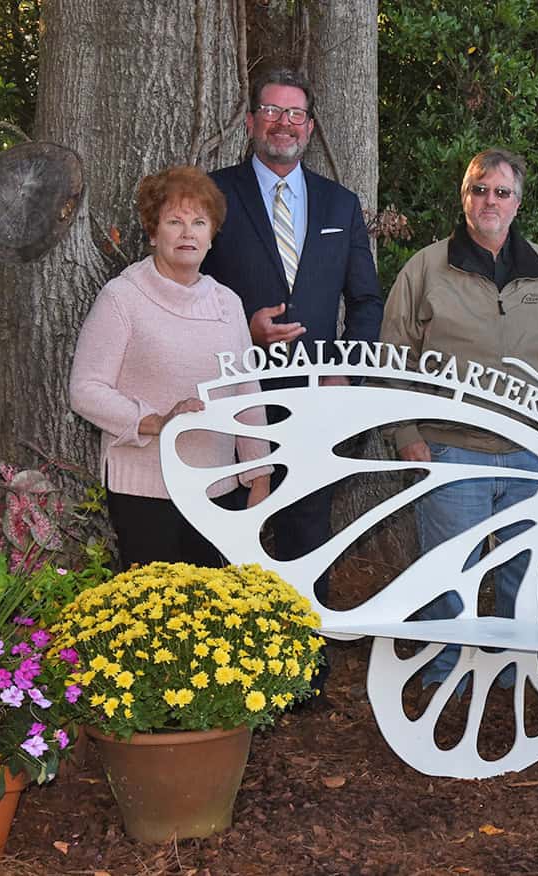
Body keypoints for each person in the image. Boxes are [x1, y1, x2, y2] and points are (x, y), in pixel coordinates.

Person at [380, 148, 538, 688]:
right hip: (452, 450)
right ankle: (445, 674)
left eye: (501, 192)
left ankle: (518, 671)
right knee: (449, 570)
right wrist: (406, 435)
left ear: (518, 202)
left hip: (536, 452)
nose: (489, 201)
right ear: (464, 196)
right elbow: (392, 358)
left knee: (528, 569)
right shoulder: (427, 268)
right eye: (480, 189)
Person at [200, 68, 383, 611]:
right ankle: (233, 664)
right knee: (233, 523)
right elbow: (189, 287)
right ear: (253, 120)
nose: (284, 124)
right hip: (236, 392)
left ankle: (305, 662)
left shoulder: (339, 204)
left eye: (295, 114)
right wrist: (243, 330)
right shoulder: (215, 194)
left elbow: (368, 302)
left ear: (309, 126)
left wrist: (347, 371)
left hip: (316, 398)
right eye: (273, 112)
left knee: (308, 527)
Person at [70, 165, 272, 570]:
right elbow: (85, 390)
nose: (187, 233)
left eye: (199, 222)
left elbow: (248, 395)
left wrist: (260, 477)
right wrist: (157, 420)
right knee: (157, 616)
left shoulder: (228, 304)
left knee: (215, 615)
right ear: (152, 231)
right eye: (174, 222)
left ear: (212, 236)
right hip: (144, 490)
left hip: (216, 487)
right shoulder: (122, 298)